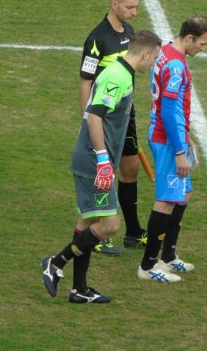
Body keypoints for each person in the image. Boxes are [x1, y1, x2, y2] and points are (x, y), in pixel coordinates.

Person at [42, 30, 162, 303]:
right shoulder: (117, 77)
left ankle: (79, 290)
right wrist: (104, 160)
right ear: (145, 53)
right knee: (109, 224)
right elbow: (94, 118)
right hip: (94, 162)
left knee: (87, 221)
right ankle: (55, 263)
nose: (153, 64)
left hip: (94, 159)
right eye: (154, 58)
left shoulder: (123, 72)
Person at [137, 16, 207, 283]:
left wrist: (186, 137)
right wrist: (180, 151)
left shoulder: (167, 52)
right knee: (166, 200)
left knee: (184, 193)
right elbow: (169, 111)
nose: (203, 48)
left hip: (174, 136)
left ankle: (168, 256)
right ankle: (148, 265)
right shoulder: (176, 65)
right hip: (167, 140)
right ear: (189, 38)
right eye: (202, 43)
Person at [79, 0, 147, 256]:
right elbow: (85, 81)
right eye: (130, 7)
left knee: (130, 171)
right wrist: (87, 118)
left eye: (136, 7)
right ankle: (100, 231)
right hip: (103, 119)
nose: (134, 12)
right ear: (114, 4)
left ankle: (132, 231)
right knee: (103, 174)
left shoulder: (130, 33)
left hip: (125, 116)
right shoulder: (97, 39)